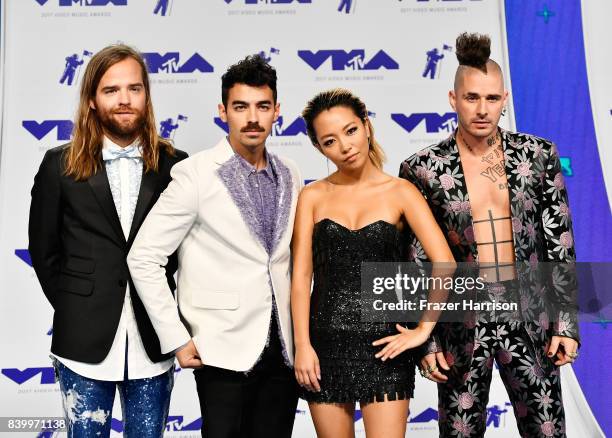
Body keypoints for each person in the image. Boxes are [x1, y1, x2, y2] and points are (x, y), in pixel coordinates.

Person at [400, 33, 579, 437]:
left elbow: (559, 240)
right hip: (461, 322)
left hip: (530, 317)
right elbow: (416, 259)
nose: (482, 109)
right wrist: (426, 343)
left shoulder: (536, 156)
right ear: (453, 98)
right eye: (471, 98)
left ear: (505, 98)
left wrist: (565, 322)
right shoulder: (423, 167)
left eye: (492, 99)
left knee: (547, 431)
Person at [127, 55, 302, 438]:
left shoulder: (291, 172)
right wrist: (175, 336)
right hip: (221, 348)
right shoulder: (195, 174)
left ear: (277, 112)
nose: (252, 117)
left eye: (262, 106)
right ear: (223, 111)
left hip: (283, 352)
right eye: (241, 107)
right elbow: (143, 256)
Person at [28, 44, 188, 437]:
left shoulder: (176, 164)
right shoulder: (58, 164)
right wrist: (80, 304)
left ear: (146, 96)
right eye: (111, 90)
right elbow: (44, 251)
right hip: (82, 343)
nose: (124, 99)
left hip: (154, 342)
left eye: (134, 89)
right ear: (92, 100)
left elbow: (185, 254)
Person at [292, 88, 455, 438]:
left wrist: (424, 329)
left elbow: (445, 264)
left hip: (385, 346)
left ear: (366, 126)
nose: (346, 146)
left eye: (351, 131)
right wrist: (302, 346)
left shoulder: (400, 192)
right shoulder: (312, 196)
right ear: (319, 148)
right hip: (324, 347)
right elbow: (301, 277)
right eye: (330, 140)